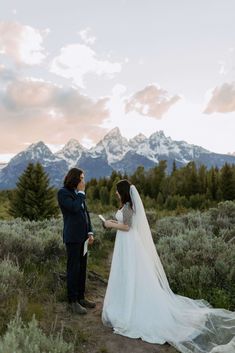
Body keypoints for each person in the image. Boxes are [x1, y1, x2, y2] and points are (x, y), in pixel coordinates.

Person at [102, 179, 235, 353]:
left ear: (123, 192)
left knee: (131, 273)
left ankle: (130, 306)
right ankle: (127, 300)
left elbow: (126, 227)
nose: (115, 193)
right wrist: (114, 221)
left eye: (117, 190)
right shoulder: (126, 206)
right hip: (126, 243)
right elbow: (126, 223)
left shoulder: (127, 206)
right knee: (128, 273)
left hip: (128, 244)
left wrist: (110, 224)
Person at [57, 168, 96, 315]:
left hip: (84, 238)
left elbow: (85, 214)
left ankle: (81, 297)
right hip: (72, 238)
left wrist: (90, 232)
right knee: (73, 269)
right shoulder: (63, 193)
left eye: (83, 178)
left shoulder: (78, 194)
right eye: (81, 178)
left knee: (82, 268)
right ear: (74, 179)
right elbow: (73, 209)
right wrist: (81, 193)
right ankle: (72, 301)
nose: (83, 181)